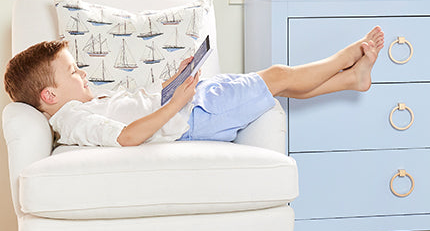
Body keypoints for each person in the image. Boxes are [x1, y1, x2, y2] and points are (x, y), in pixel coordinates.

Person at [4, 27, 385, 148]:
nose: (82, 74)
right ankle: (345, 59)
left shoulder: (81, 106)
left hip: (190, 105)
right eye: (73, 73)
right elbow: (127, 137)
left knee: (275, 87)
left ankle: (353, 79)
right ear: (49, 96)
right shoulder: (72, 119)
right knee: (278, 76)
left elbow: (142, 104)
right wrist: (178, 103)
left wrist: (175, 81)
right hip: (195, 114)